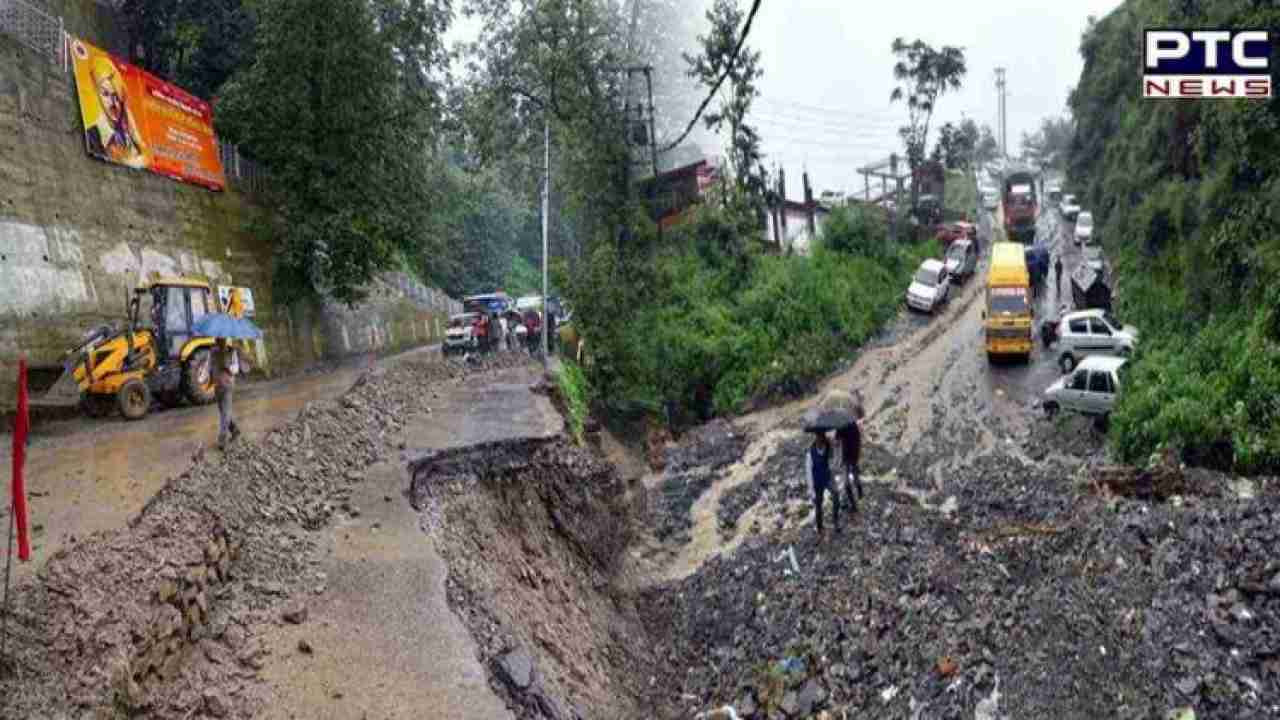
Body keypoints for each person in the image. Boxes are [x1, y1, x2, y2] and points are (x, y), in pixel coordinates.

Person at [806, 431, 839, 537]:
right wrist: (811, 491)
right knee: (818, 505)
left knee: (836, 496)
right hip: (817, 481)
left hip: (828, 478)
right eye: (819, 438)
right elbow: (808, 472)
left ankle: (835, 521)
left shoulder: (828, 447)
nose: (821, 440)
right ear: (816, 439)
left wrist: (833, 447)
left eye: (823, 438)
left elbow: (833, 462)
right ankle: (820, 527)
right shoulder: (810, 452)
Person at [213, 338, 242, 450]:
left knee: (224, 413)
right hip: (217, 386)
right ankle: (235, 430)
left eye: (221, 339)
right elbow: (209, 366)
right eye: (217, 339)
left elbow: (236, 369)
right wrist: (205, 379)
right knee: (224, 411)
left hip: (228, 385)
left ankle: (222, 440)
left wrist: (228, 367)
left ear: (225, 340)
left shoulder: (231, 351)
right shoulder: (213, 352)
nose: (219, 341)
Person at [835, 421, 862, 513]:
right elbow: (858, 440)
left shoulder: (840, 426)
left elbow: (837, 440)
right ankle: (859, 493)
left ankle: (853, 505)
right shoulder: (854, 425)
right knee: (854, 475)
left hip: (846, 457)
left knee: (846, 482)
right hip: (854, 455)